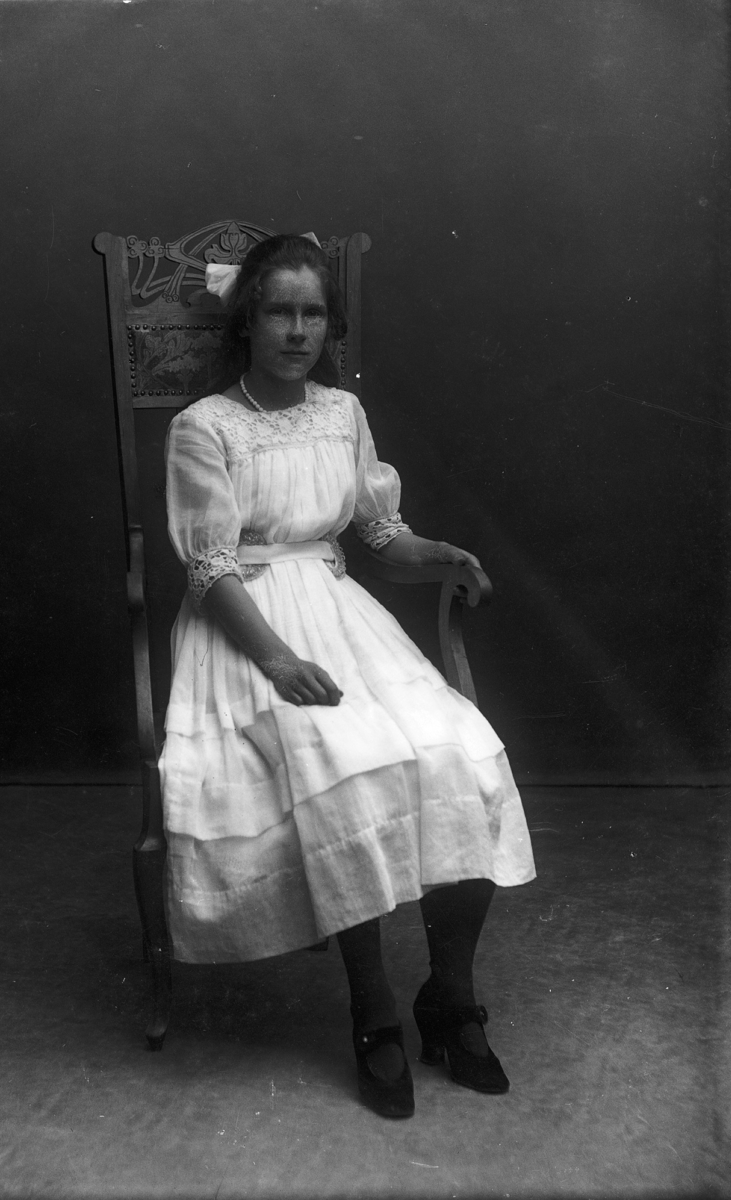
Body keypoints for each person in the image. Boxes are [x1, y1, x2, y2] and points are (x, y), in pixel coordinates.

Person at [158, 232, 536, 1118]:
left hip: (341, 615)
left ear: (329, 325)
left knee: (462, 753)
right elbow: (209, 568)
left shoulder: (342, 413)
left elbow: (378, 536)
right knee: (348, 769)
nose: (298, 331)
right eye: (279, 312)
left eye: (313, 314)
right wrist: (279, 661)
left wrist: (437, 553)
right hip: (248, 628)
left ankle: (449, 996)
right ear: (247, 322)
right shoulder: (204, 426)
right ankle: (373, 1011)